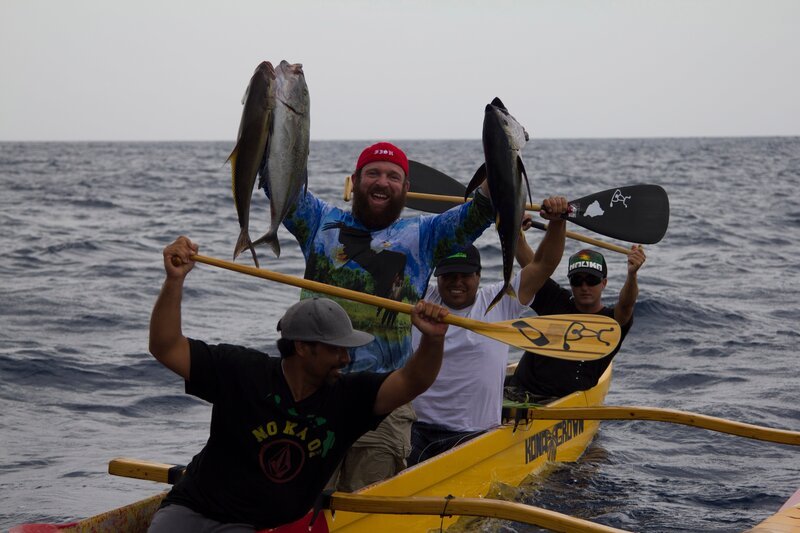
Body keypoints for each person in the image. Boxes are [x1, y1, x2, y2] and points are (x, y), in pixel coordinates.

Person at [147, 236, 450, 532]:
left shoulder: (348, 398)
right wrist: (174, 279)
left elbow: (413, 380)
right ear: (302, 347)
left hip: (252, 526)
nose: (346, 359)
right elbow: (166, 347)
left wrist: (433, 339)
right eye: (336, 349)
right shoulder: (241, 370)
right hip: (191, 506)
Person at [267, 142, 495, 490]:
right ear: (356, 180)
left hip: (383, 400)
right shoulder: (318, 220)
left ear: (406, 188)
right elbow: (276, 178)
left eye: (393, 176)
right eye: (373, 173)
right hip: (309, 394)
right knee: (296, 498)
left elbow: (480, 212)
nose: (382, 182)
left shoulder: (425, 234)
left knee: (367, 505)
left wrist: (502, 153)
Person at [408, 197, 570, 465]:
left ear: (478, 276)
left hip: (474, 433)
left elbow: (543, 264)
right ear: (437, 277)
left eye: (465, 275)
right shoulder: (421, 298)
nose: (457, 283)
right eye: (449, 276)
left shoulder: (499, 301)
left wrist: (557, 223)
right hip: (417, 429)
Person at [506, 244, 647, 400]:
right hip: (517, 392)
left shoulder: (612, 322)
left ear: (604, 283)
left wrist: (632, 275)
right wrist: (517, 234)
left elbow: (627, 304)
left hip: (563, 403)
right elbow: (534, 267)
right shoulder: (556, 300)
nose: (584, 287)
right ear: (570, 282)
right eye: (577, 280)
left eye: (592, 280)